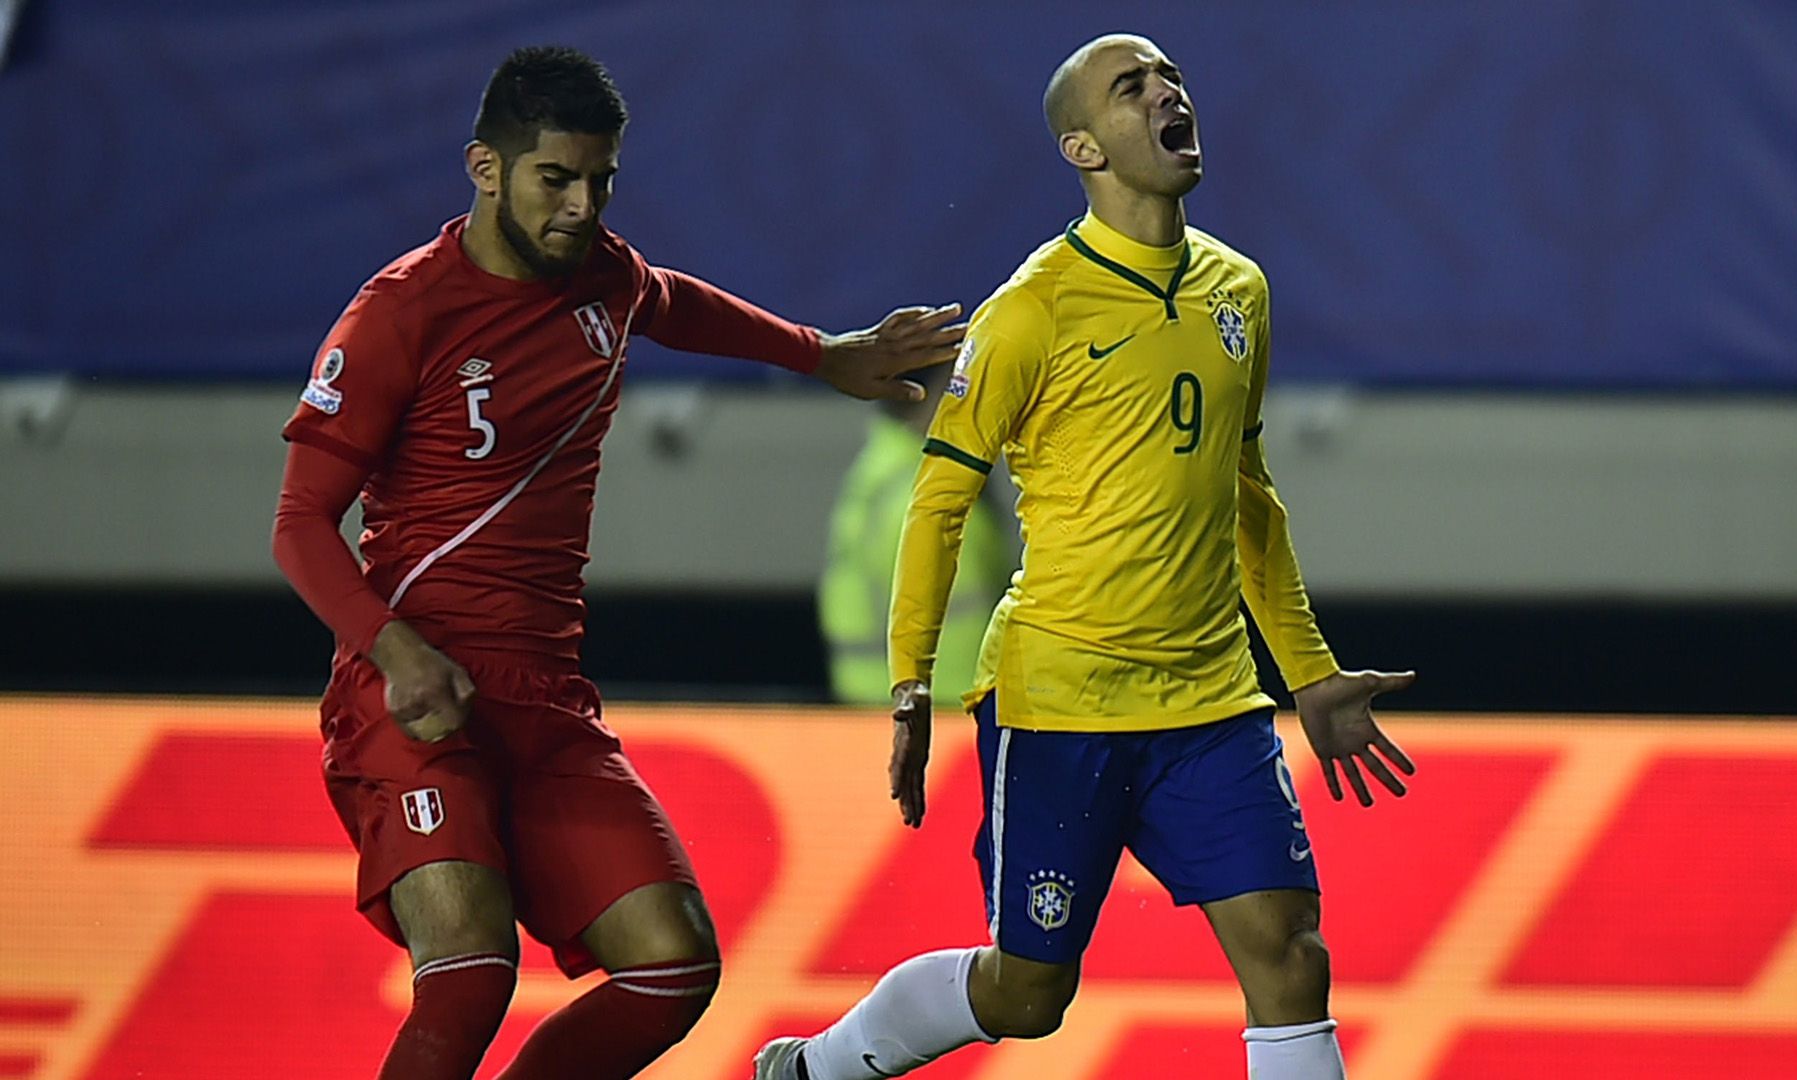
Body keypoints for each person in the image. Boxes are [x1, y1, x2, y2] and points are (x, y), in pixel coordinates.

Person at [270, 45, 964, 1080]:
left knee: (671, 967)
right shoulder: (401, 313)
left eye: (601, 181)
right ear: (486, 167)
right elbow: (298, 524)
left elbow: (669, 299)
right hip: (414, 691)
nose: (581, 207)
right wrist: (396, 651)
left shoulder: (605, 278)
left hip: (546, 699)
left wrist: (824, 354)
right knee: (470, 976)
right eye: (556, 179)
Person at [755, 34, 1415, 1080]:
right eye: (1130, 87)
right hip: (1063, 703)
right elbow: (940, 501)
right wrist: (909, 683)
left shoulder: (1239, 290)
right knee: (1029, 995)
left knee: (1292, 959)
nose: (1166, 92)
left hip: (1210, 704)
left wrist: (1309, 672)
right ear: (1084, 148)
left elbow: (1247, 495)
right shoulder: (1032, 311)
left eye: (1171, 78)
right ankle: (820, 1067)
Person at [818, 362, 1015, 707]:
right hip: (943, 704)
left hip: (886, 702)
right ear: (924, 399)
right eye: (959, 391)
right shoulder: (928, 499)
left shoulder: (884, 470)